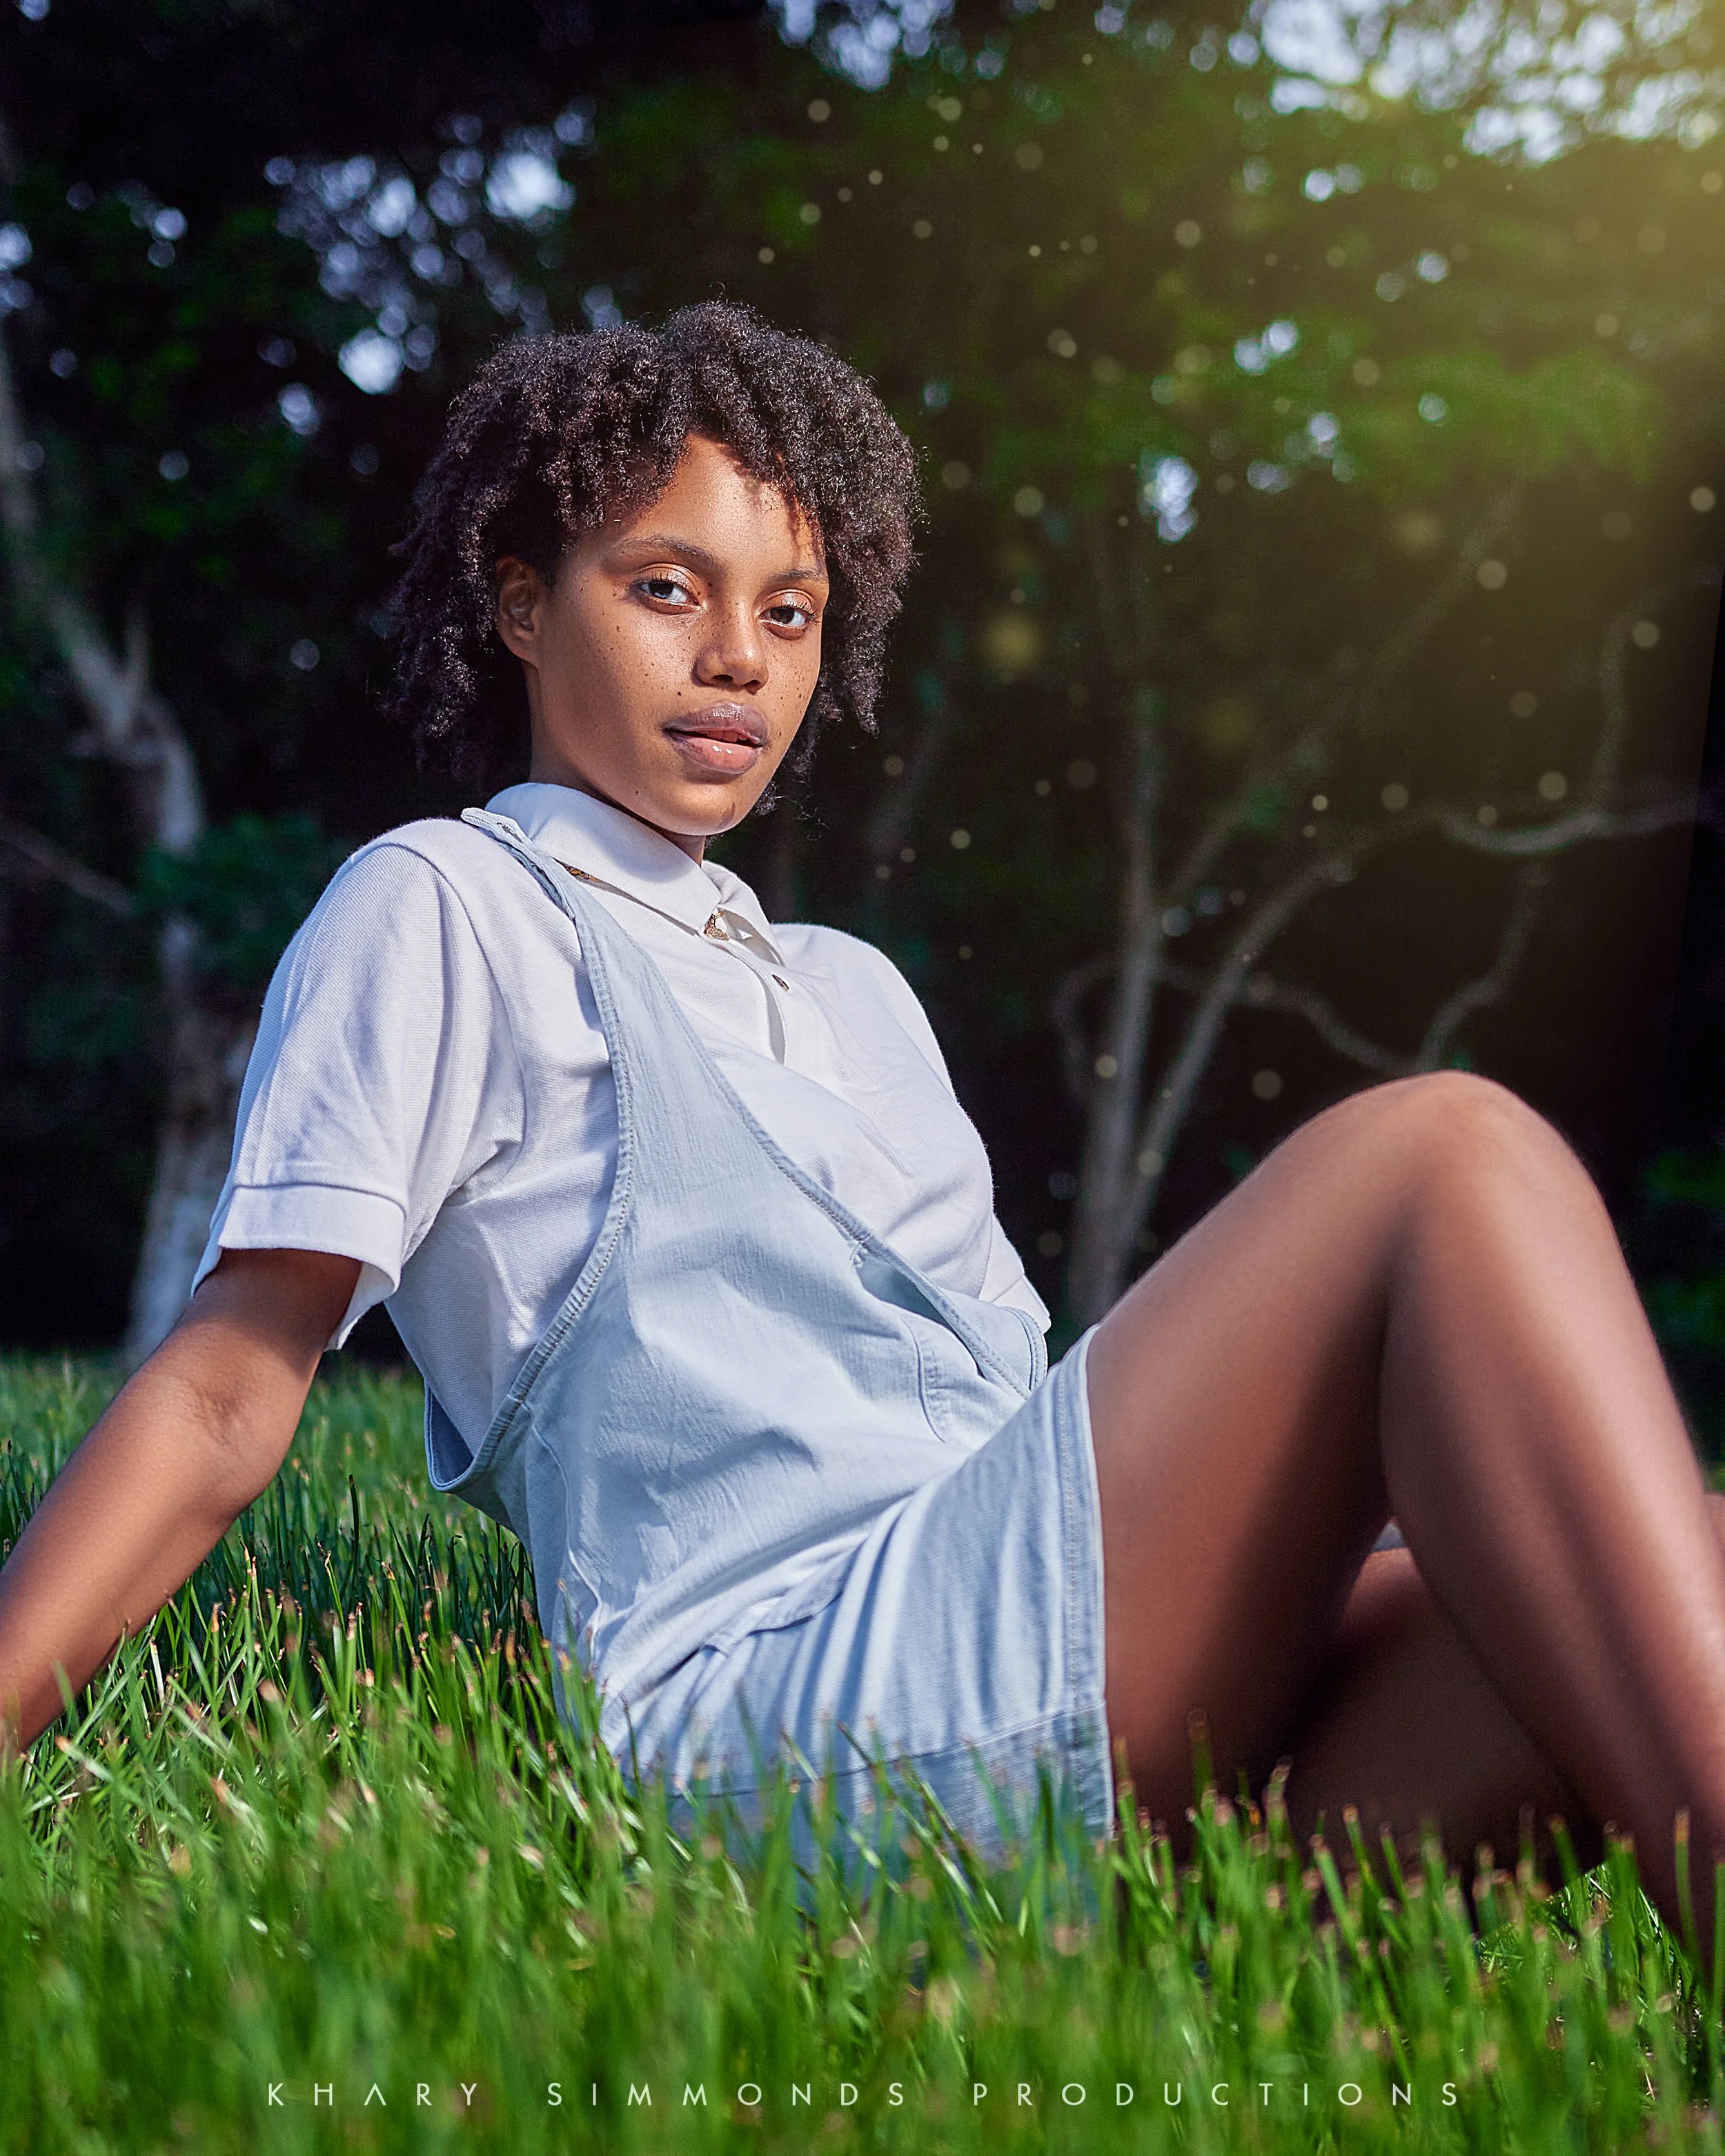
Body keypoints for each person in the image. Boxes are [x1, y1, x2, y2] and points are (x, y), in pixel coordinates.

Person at [3, 300, 1724, 1956]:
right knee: (1440, 1155)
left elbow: (1009, 1441)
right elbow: (232, 1382)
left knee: (1666, 1558)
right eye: (664, 588)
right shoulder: (450, 901)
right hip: (780, 1715)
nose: (736, 657)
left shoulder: (851, 994)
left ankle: (1191, 1956)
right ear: (521, 607)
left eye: (792, 609)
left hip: (1009, 1660)